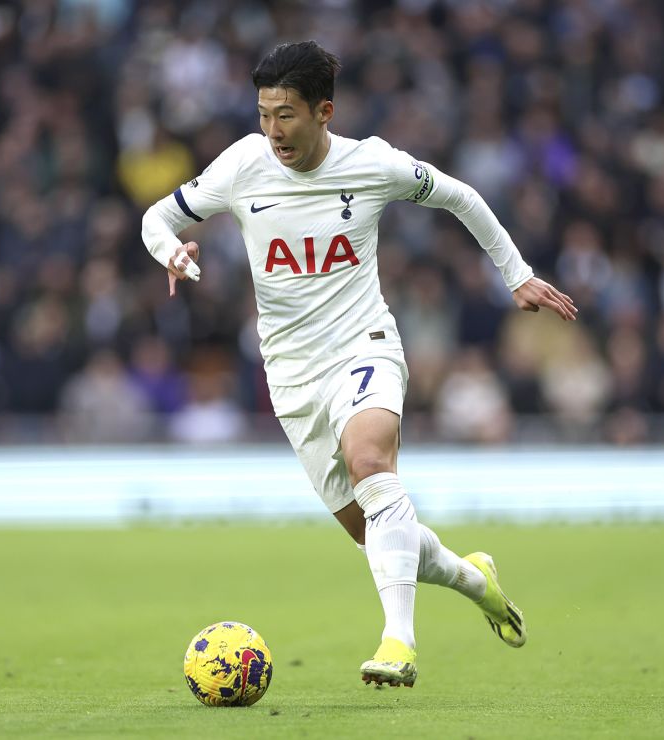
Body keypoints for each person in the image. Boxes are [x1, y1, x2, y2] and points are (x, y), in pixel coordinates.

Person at [141, 41, 577, 688]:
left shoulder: (372, 163)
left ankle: (398, 642)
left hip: (362, 343)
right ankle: (472, 576)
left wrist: (517, 276)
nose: (272, 131)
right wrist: (169, 252)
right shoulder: (242, 165)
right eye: (263, 114)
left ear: (324, 111)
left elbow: (461, 196)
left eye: (286, 115)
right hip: (290, 374)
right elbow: (157, 216)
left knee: (372, 462)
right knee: (375, 531)